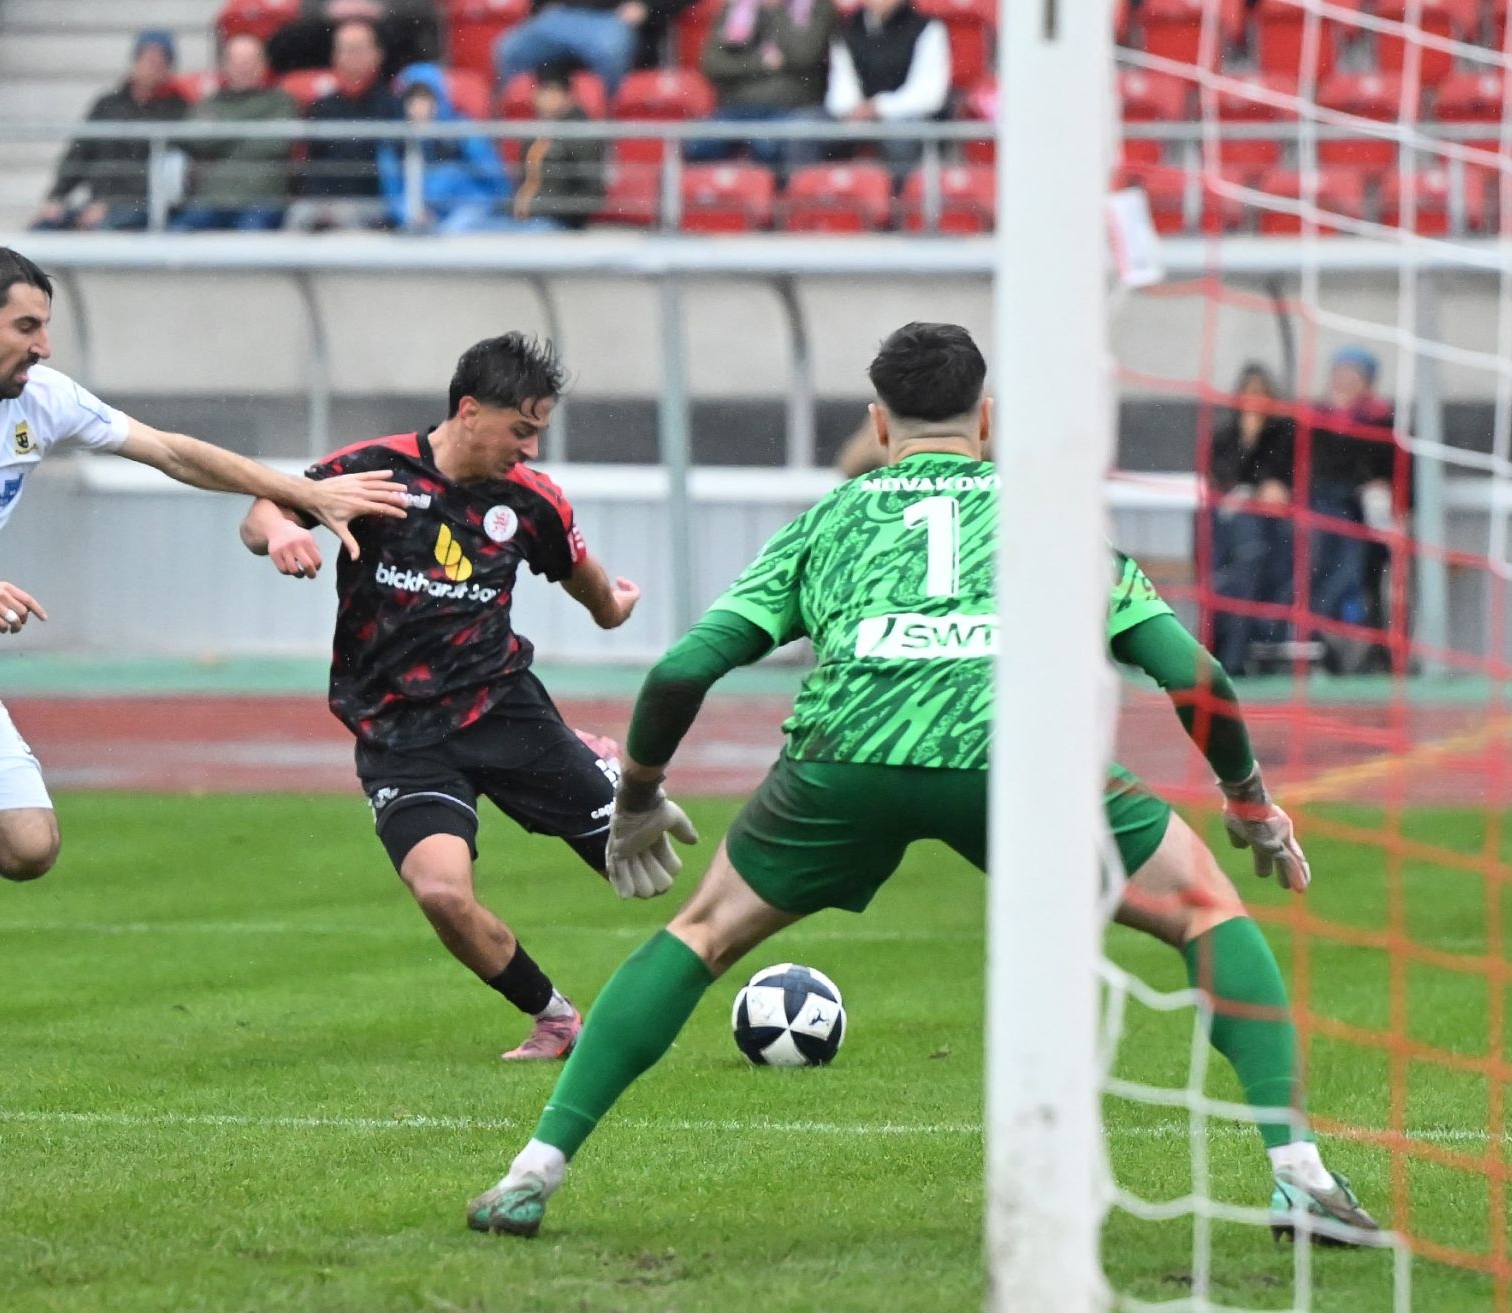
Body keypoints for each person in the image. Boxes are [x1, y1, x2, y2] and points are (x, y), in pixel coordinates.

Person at [466, 321, 1382, 1247]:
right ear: (986, 420)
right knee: (1206, 909)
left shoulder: (829, 521)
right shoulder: (1046, 516)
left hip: (846, 757)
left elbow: (679, 672)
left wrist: (636, 794)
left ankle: (531, 1173)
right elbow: (1195, 675)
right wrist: (1248, 798)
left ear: (879, 422)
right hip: (1017, 758)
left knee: (700, 934)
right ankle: (1300, 1175)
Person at [0, 245, 410, 1049]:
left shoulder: (41, 400)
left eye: (46, 327)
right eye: (26, 327)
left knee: (30, 847)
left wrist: (303, 491)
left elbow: (172, 450)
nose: (43, 346)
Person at [239, 333, 648, 1062]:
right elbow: (264, 509)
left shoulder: (531, 500)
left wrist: (614, 608)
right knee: (441, 894)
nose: (530, 448)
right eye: (520, 429)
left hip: (505, 713)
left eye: (538, 432)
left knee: (639, 869)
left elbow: (580, 572)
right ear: (469, 411)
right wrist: (276, 534)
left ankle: (588, 760)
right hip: (401, 735)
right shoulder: (374, 470)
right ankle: (555, 1018)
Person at [34, 30, 188, 232]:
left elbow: (167, 173)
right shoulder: (108, 105)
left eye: (159, 62)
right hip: (99, 203)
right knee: (43, 228)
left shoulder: (178, 110)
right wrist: (56, 198)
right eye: (148, 60)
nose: (152, 68)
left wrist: (112, 204)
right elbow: (80, 153)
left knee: (103, 227)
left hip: (142, 207)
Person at [1304, 346, 1399, 672]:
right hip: (1321, 516)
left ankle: (1360, 647)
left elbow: (1399, 476)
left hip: (1366, 524)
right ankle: (1321, 640)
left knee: (1358, 564)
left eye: (1352, 375)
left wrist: (1379, 491)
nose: (1343, 382)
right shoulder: (1313, 421)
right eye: (1339, 374)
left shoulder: (1384, 422)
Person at [1206, 363, 1296, 678]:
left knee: (1250, 559)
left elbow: (1279, 482)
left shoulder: (1284, 434)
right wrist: (1246, 441)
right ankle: (1229, 652)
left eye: (1260, 393)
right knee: (1242, 559)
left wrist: (1260, 487)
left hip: (1272, 531)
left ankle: (1231, 653)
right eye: (1248, 393)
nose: (1254, 401)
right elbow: (1222, 478)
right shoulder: (1225, 436)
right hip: (1231, 531)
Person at [170, 32, 298, 232]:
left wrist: (221, 132)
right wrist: (255, 128)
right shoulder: (208, 103)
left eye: (250, 61)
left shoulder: (280, 101)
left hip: (262, 200)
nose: (244, 68)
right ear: (225, 66)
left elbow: (277, 143)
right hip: (211, 200)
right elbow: (194, 141)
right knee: (175, 234)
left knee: (250, 240)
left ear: (263, 65)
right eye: (237, 61)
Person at [692, 0, 836, 175]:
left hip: (792, 110)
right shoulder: (736, 6)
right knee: (697, 142)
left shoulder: (817, 5)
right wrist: (762, 64)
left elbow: (803, 55)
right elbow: (713, 64)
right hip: (736, 109)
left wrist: (777, 10)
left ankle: (784, 191)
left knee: (769, 144)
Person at [284, 20, 402, 232]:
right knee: (297, 216)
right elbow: (314, 164)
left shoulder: (393, 106)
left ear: (377, 54)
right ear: (335, 56)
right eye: (346, 50)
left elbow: (393, 167)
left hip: (374, 202)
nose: (352, 56)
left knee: (348, 219)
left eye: (358, 49)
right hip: (324, 200)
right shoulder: (321, 107)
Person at [824, 0, 950, 180]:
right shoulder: (847, 29)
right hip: (856, 118)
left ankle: (901, 195)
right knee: (812, 132)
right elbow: (841, 86)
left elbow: (929, 94)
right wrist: (853, 109)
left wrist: (879, 107)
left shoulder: (927, 28)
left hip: (907, 119)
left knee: (900, 142)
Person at [379, 63, 512, 231]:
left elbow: (494, 181)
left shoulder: (464, 133)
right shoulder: (395, 142)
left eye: (425, 98)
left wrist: (466, 217)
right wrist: (409, 213)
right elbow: (393, 192)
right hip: (421, 223)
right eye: (411, 99)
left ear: (439, 99)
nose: (418, 107)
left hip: (469, 214)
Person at [492, 0, 691, 97]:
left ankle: (607, 129)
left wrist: (647, 7)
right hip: (565, 14)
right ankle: (515, 126)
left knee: (610, 51)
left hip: (614, 20)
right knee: (509, 48)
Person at [509, 64, 606, 230]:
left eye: (552, 92)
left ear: (567, 96)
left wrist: (545, 207)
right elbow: (524, 180)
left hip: (558, 221)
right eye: (542, 91)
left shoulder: (581, 134)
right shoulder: (534, 132)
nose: (545, 98)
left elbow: (591, 193)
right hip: (527, 217)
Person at [264, 0, 436, 79]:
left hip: (387, 33)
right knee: (293, 38)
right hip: (326, 31)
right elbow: (305, 8)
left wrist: (381, 9)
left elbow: (422, 9)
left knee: (407, 35)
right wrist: (328, 10)